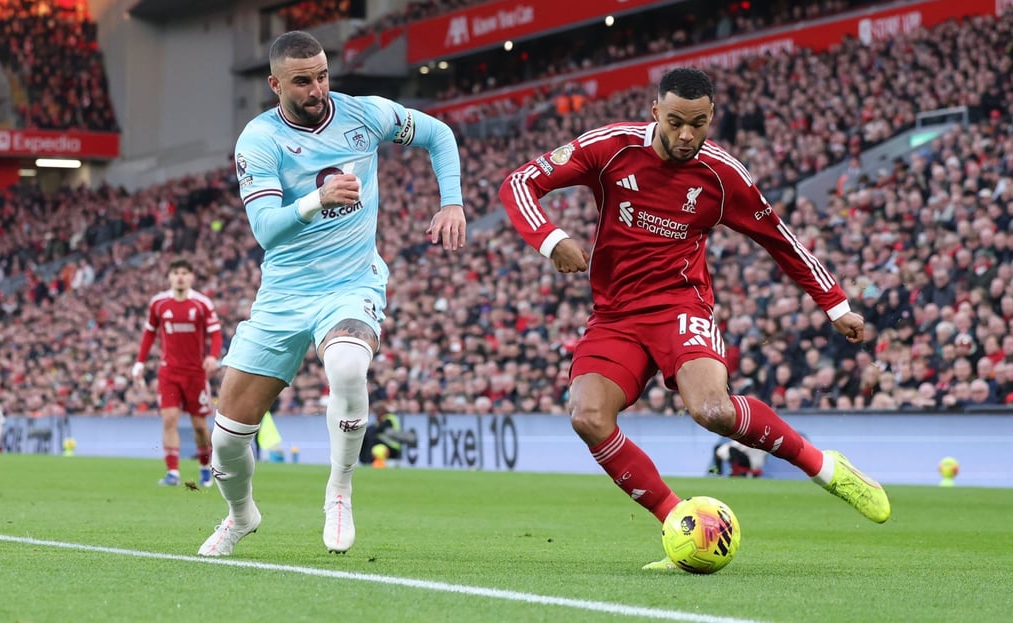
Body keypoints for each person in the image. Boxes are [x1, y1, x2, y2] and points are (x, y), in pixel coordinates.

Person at [498, 67, 891, 570]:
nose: (687, 135)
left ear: (711, 118)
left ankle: (826, 468)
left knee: (713, 410)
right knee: (588, 417)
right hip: (615, 315)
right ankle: (678, 525)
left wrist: (835, 305)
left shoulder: (723, 175)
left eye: (699, 124)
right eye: (677, 122)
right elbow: (520, 182)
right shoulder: (612, 148)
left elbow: (781, 239)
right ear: (655, 112)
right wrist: (552, 240)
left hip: (679, 304)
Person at [198, 30, 465, 557]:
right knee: (228, 440)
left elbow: (439, 135)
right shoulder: (259, 140)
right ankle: (240, 514)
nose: (317, 88)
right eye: (302, 80)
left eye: (322, 75)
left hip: (351, 283)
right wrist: (316, 200)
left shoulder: (365, 114)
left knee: (347, 367)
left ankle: (339, 490)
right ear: (276, 84)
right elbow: (265, 231)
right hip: (283, 295)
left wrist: (451, 202)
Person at [132, 258, 222, 487]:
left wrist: (212, 356)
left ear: (191, 276)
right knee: (169, 420)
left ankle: (204, 467)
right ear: (169, 277)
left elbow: (216, 333)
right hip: (169, 373)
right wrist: (140, 362)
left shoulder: (202, 303)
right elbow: (149, 334)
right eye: (175, 273)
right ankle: (173, 472)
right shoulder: (159, 303)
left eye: (184, 272)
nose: (180, 277)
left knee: (200, 426)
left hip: (195, 374)